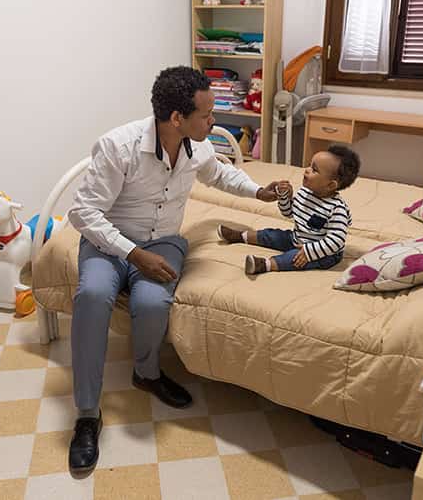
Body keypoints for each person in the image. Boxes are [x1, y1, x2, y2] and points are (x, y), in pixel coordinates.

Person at [66, 65, 281, 473]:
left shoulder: (197, 147)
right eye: (207, 114)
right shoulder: (118, 147)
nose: (213, 121)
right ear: (177, 118)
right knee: (92, 296)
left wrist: (259, 191)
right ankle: (86, 413)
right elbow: (83, 212)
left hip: (162, 241)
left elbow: (221, 174)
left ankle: (146, 373)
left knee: (151, 303)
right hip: (107, 241)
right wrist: (133, 254)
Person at [218, 145, 360, 274]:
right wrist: (284, 197)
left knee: (293, 259)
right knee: (271, 235)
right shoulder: (305, 193)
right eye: (310, 166)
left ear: (330, 185)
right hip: (296, 237)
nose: (307, 170)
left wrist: (309, 252)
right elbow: (288, 213)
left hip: (324, 254)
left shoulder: (337, 209)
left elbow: (336, 242)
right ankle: (240, 236)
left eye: (314, 170)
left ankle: (265, 265)